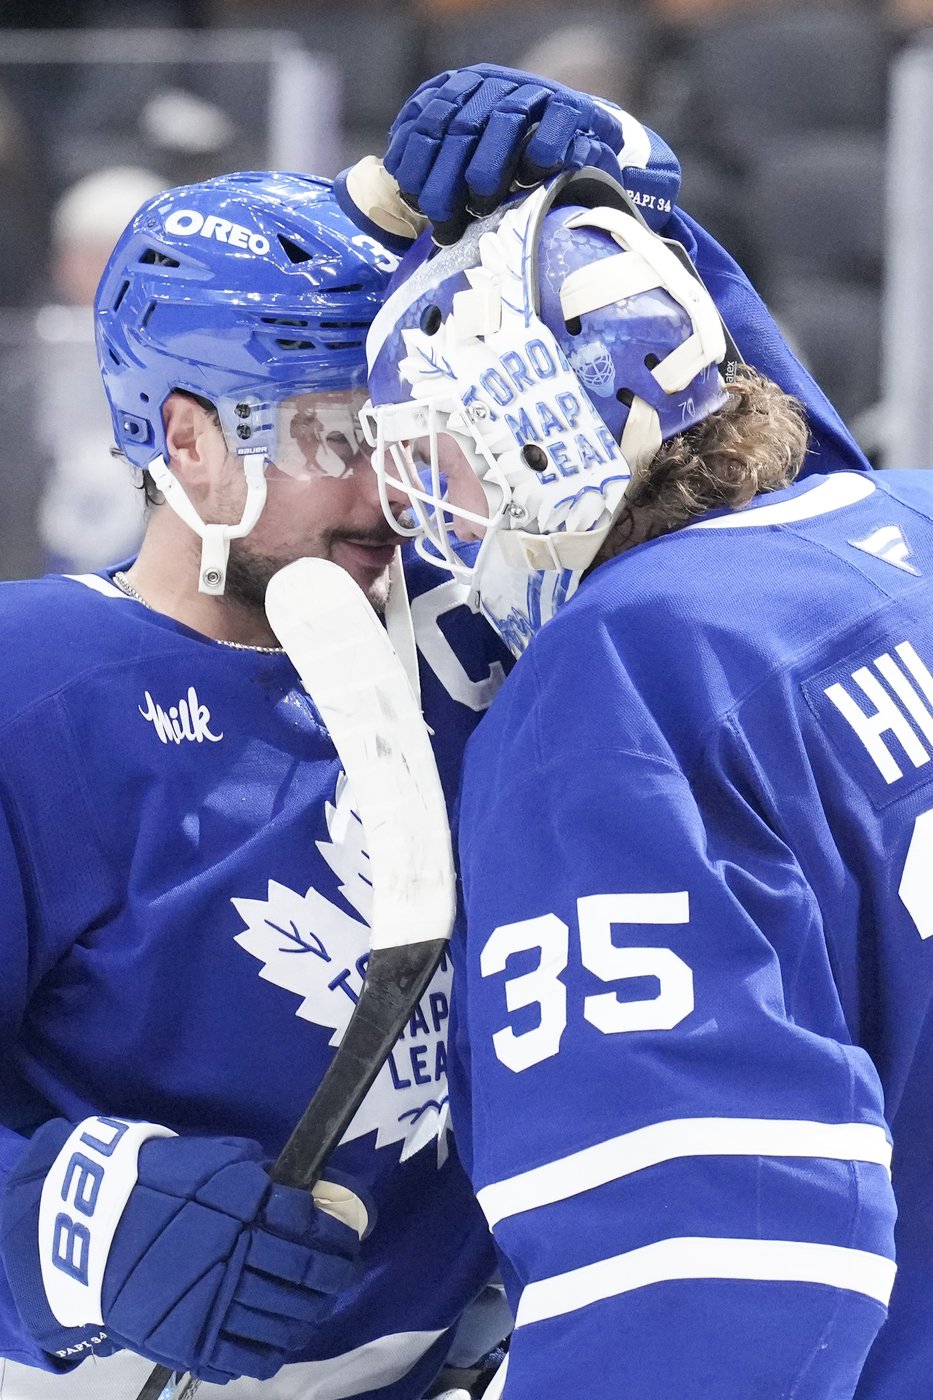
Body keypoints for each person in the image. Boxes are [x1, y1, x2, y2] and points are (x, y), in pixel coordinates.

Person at [362, 166, 933, 1398]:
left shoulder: (620, 673)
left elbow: (707, 1261)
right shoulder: (910, 517)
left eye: (440, 457)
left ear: (542, 437)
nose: (422, 513)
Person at [0, 169, 513, 1400]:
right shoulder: (33, 695)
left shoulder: (482, 639)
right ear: (188, 440)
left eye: (400, 430)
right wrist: (52, 1222)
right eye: (332, 434)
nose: (387, 485)